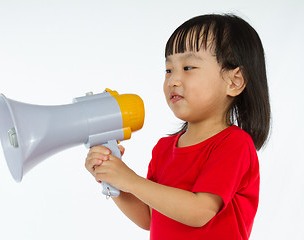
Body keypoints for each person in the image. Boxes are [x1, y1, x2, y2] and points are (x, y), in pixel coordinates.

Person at [85, 13, 270, 240]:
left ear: (234, 81)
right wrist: (114, 181)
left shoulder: (234, 144)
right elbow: (148, 218)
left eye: (189, 67)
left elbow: (200, 211)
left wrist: (129, 180)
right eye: (169, 70)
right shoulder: (163, 149)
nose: (173, 80)